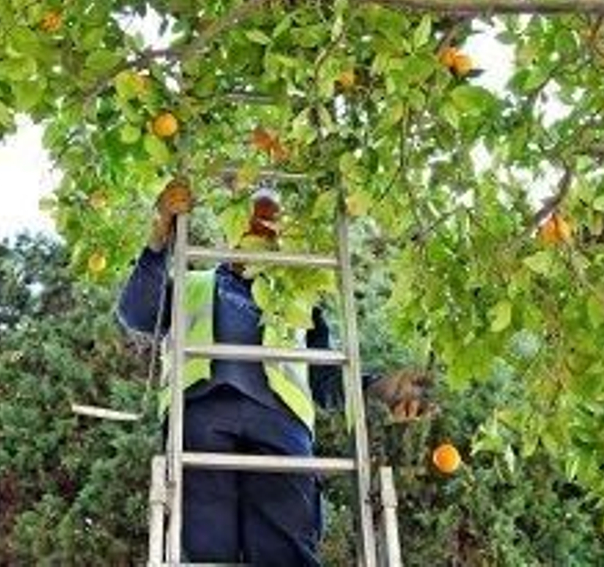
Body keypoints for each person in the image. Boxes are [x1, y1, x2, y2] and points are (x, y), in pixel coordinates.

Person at [118, 180, 430, 565]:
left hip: (281, 430)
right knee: (206, 548)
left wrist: (381, 388)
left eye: (270, 230)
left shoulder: (300, 306)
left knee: (285, 549)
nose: (260, 236)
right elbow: (137, 313)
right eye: (252, 225)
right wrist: (159, 238)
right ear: (233, 231)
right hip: (202, 418)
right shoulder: (192, 283)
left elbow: (325, 378)